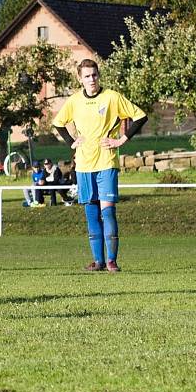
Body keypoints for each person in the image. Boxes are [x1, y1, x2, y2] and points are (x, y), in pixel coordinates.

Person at [53, 58, 147, 273]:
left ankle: (112, 261)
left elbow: (140, 116)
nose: (91, 79)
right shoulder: (74, 101)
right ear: (80, 79)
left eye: (94, 74)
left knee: (108, 213)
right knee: (91, 214)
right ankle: (98, 261)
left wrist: (121, 140)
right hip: (84, 165)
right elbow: (58, 123)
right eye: (87, 76)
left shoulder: (112, 97)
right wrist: (71, 142)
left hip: (106, 162)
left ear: (99, 75)